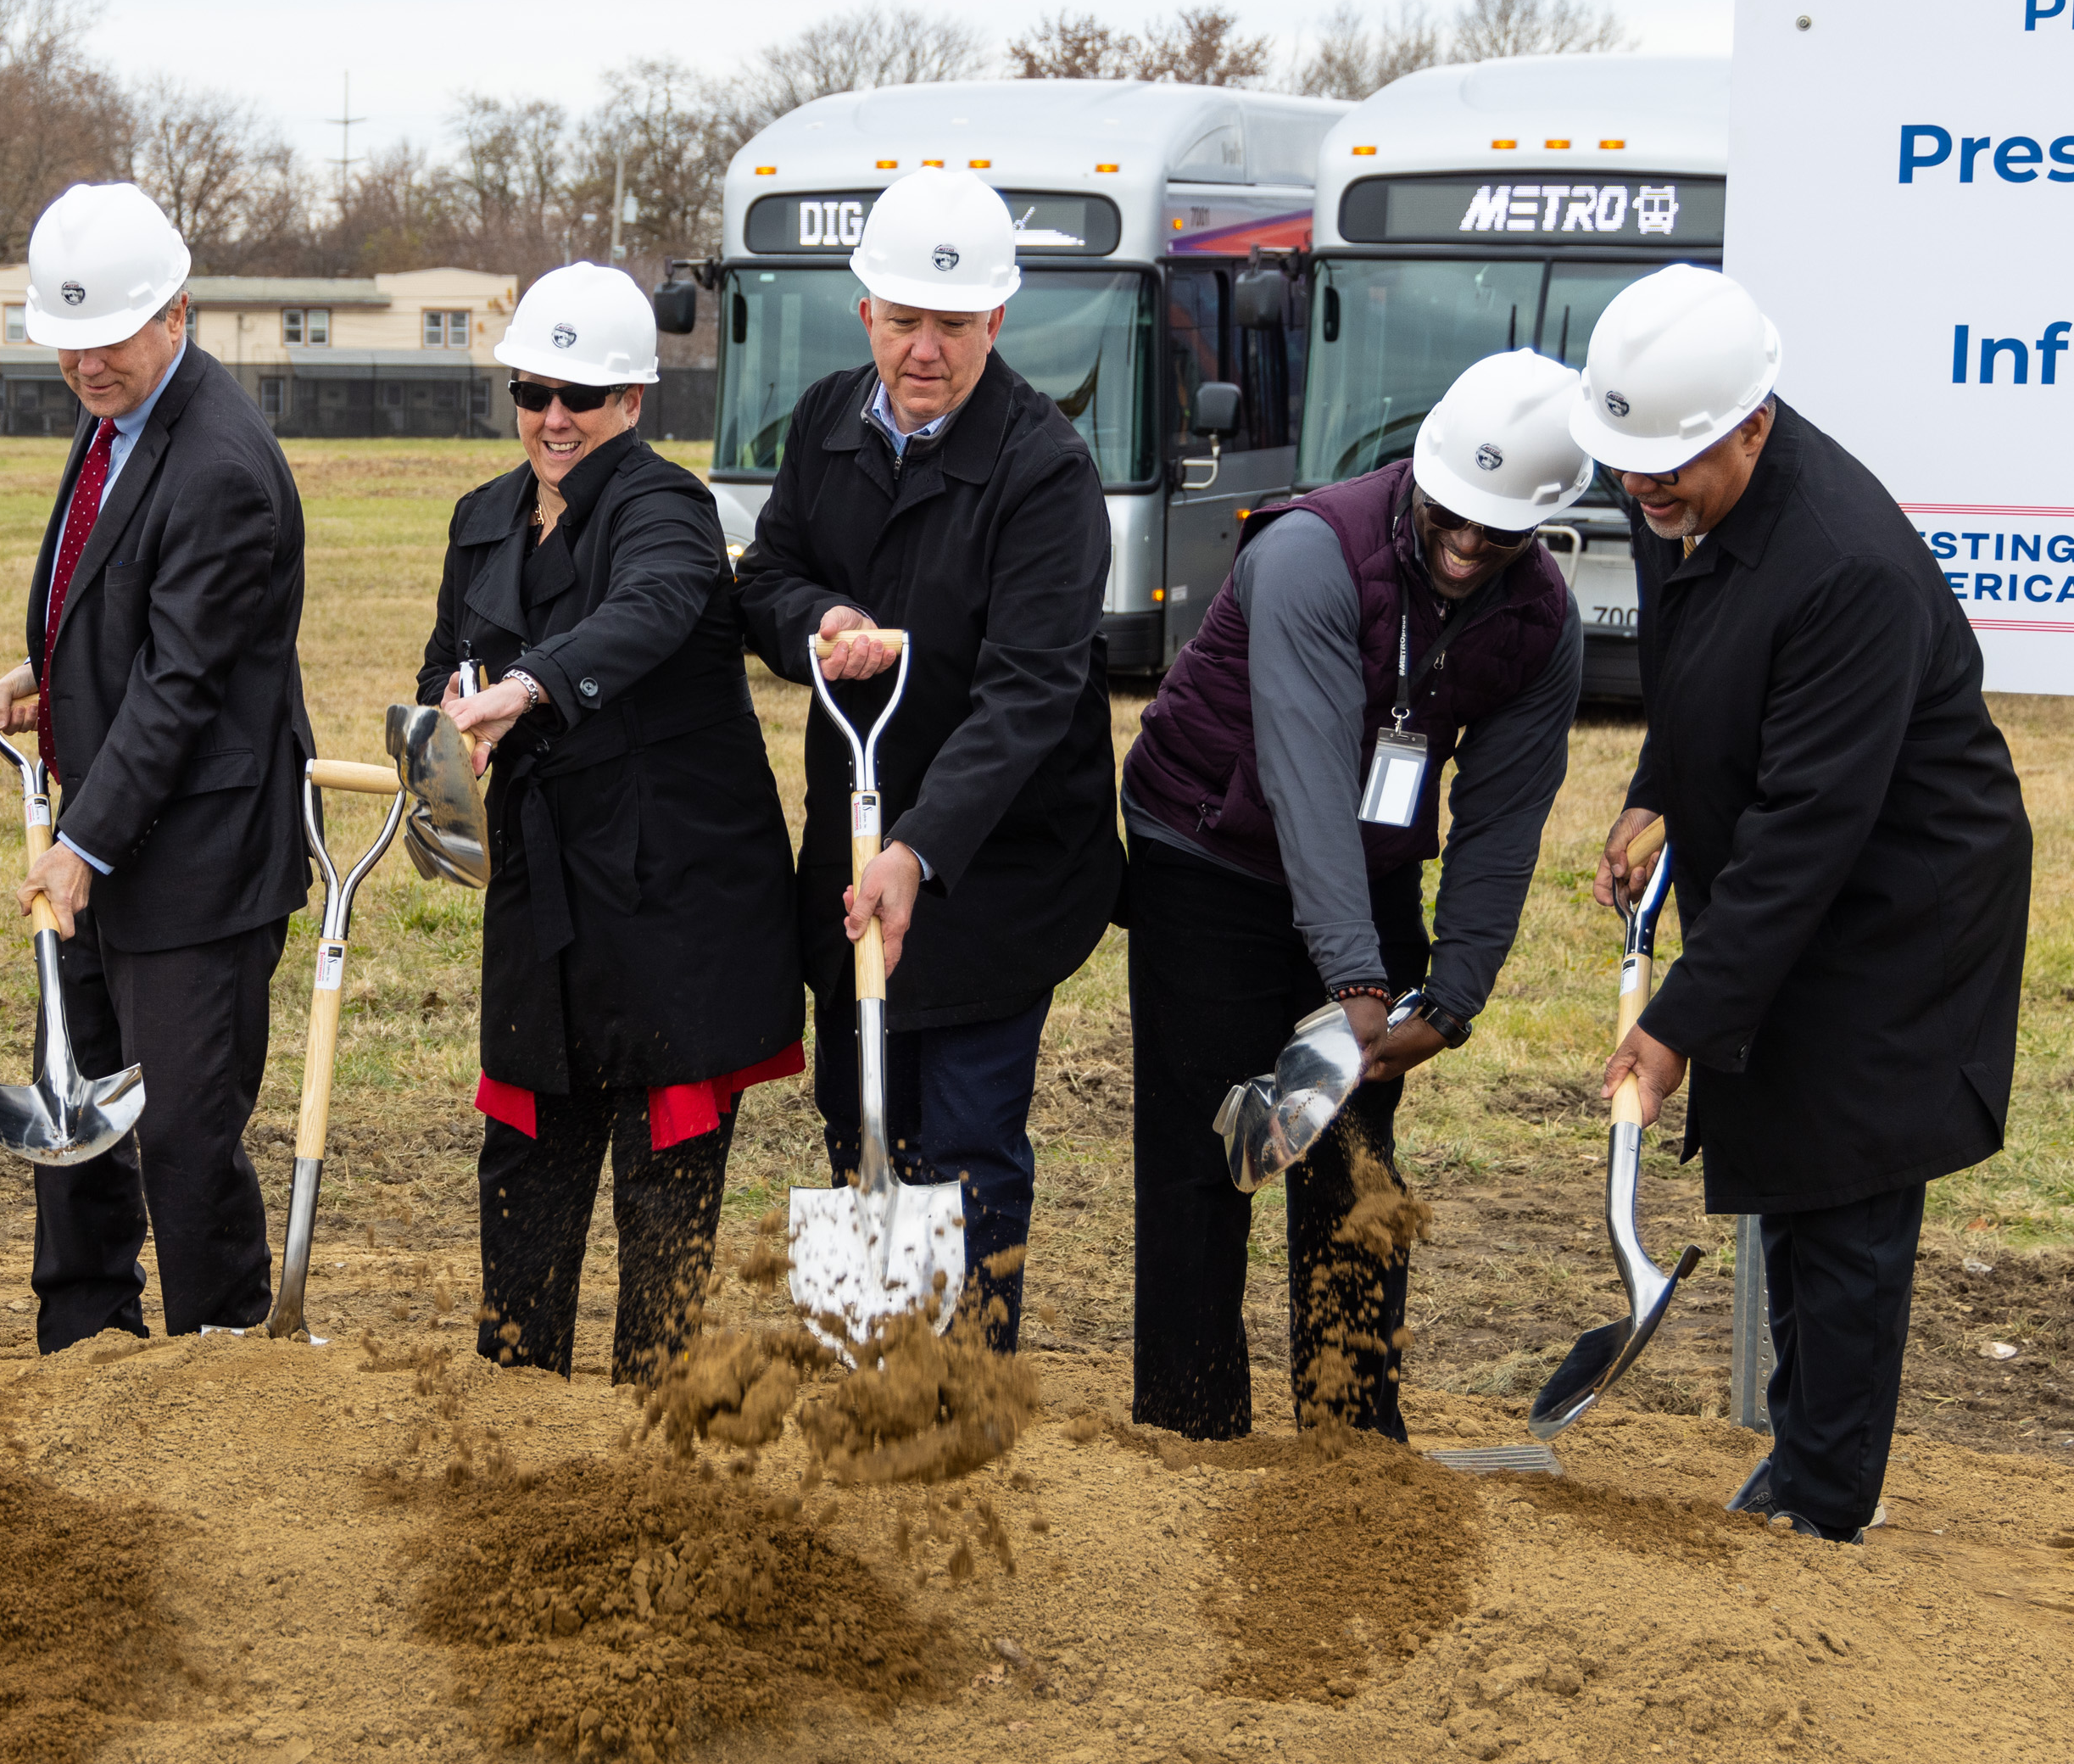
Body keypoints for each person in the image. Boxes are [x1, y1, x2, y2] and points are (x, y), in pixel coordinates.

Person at [1579, 266, 2031, 1544]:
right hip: (1800, 878)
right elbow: (1693, 669)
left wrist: (1667, 1031)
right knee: (1783, 1154)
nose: (1645, 490)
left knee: (1847, 1178)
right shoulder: (1674, 493)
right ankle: (1799, 1450)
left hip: (1901, 906)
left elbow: (1805, 835)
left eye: (1672, 464)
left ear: (1755, 423)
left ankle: (1828, 1501)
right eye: (1630, 465)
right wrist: (1657, 786)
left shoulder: (1847, 569)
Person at [1117, 349, 1588, 1440]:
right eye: (1449, 520)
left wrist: (1450, 998)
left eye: (1499, 534)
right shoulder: (1306, 552)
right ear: (1419, 478)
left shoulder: (1543, 627)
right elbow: (1302, 772)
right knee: (1213, 1140)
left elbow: (1503, 821)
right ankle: (1187, 1425)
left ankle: (1349, 1429)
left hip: (1371, 863)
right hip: (1209, 847)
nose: (1467, 551)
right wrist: (1356, 977)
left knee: (1350, 1147)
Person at [733, 170, 1121, 1351]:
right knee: (866, 1114)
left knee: (965, 1135)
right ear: (865, 313)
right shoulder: (825, 422)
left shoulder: (1045, 472)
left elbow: (1028, 693)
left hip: (997, 864)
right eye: (905, 319)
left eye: (955, 324)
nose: (927, 348)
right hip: (853, 837)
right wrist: (823, 622)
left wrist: (920, 848)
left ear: (999, 322)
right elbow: (765, 580)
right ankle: (869, 1358)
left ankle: (964, 1389)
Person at [427, 265, 801, 1382]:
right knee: (527, 1147)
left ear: (633, 399)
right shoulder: (483, 517)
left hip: (671, 895)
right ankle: (516, 1387)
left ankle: (655, 1409)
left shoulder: (670, 508)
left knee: (663, 1161)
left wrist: (525, 690)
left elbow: (645, 615)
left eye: (580, 397)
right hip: (545, 893)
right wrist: (445, 723)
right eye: (534, 391)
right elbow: (449, 660)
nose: (553, 418)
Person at [0, 182, 314, 1351]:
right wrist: (53, 674)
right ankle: (83, 1344)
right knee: (73, 1105)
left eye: (107, 337)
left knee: (177, 1130)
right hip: (116, 827)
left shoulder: (221, 461)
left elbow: (186, 685)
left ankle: (218, 1356)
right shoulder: (117, 408)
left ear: (178, 311)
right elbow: (120, 596)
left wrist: (81, 845)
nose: (83, 364)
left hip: (200, 857)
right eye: (65, 342)